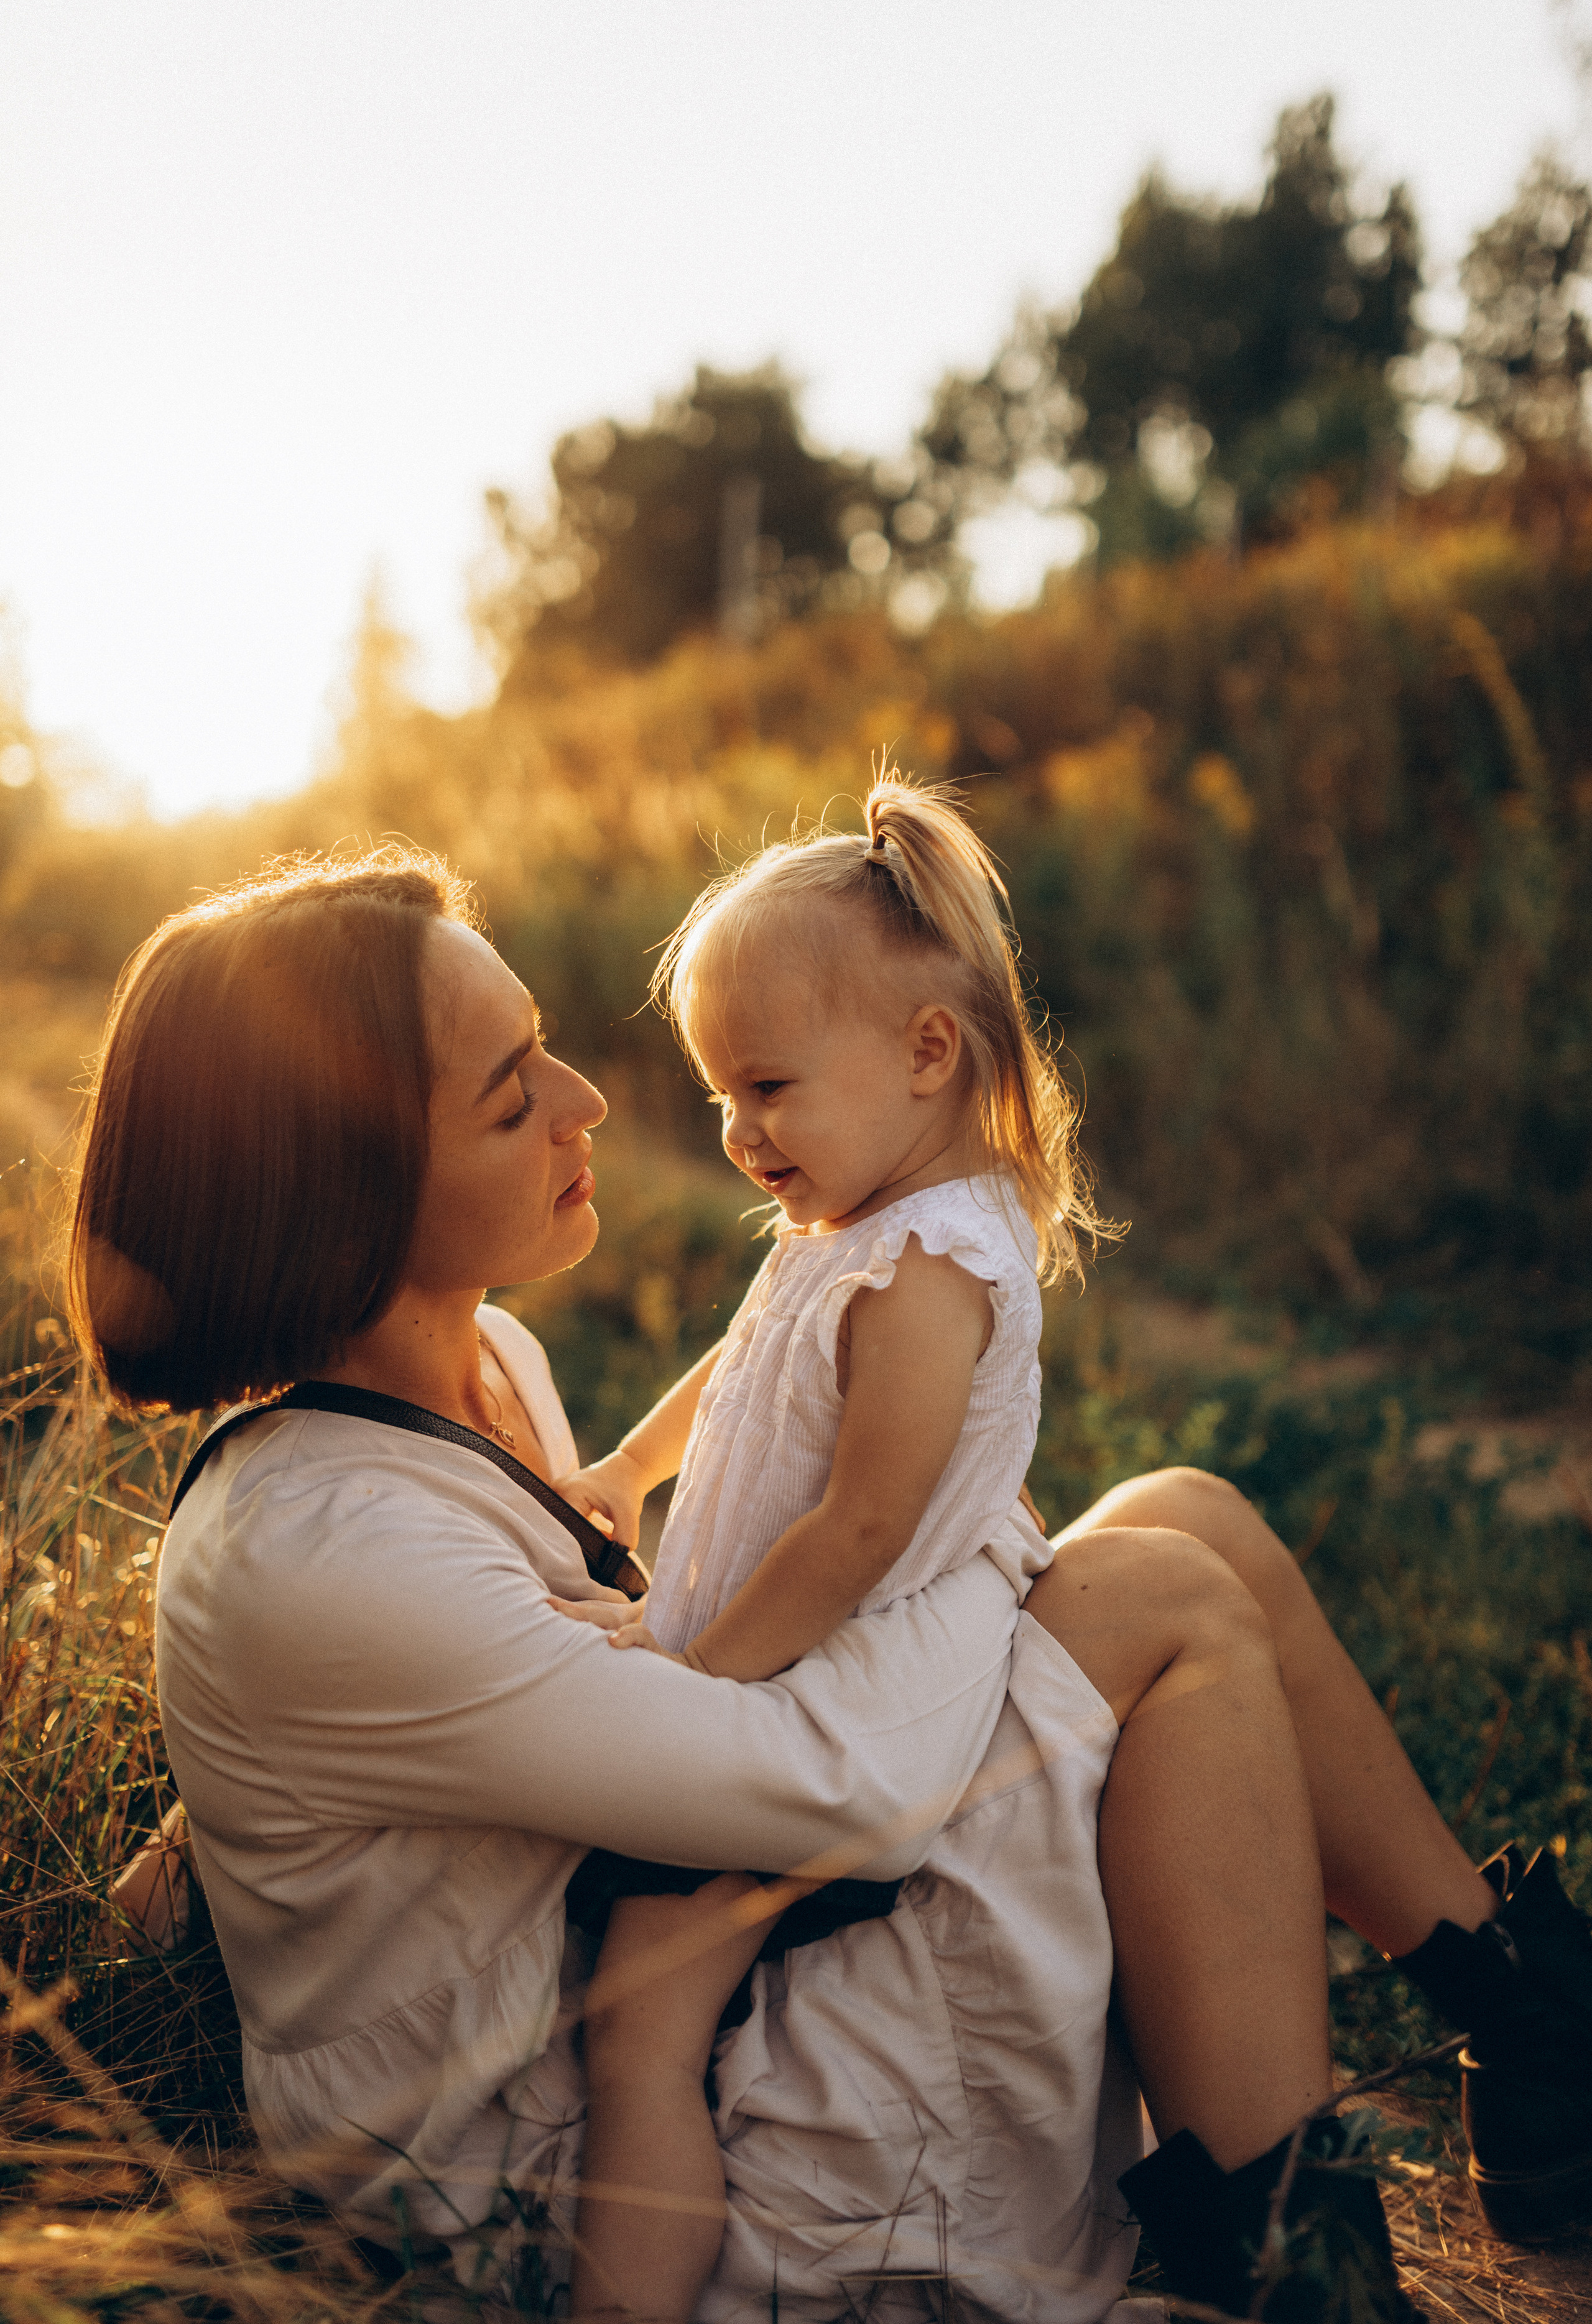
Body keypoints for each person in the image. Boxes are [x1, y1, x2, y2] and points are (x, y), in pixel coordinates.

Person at [66, 848, 1592, 2324]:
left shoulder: (490, 1365)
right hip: (581, 2159)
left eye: (545, 1045)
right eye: (510, 1089)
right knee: (1161, 1600)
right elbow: (833, 1793)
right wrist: (972, 1540)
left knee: (1181, 1511)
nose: (586, 1099)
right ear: (341, 1193)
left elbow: (499, 1717)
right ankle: (1301, 2279)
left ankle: (1529, 2034)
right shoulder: (325, 1552)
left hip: (692, 1945)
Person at [544, 775, 1104, 2324]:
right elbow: (745, 1354)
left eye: (766, 1088)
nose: (738, 1135)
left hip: (830, 1696)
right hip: (779, 1667)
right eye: (719, 1097)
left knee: (636, 2027)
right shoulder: (851, 1224)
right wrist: (632, 1466)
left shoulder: (928, 1267)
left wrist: (693, 1686)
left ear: (926, 1053)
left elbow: (860, 1528)